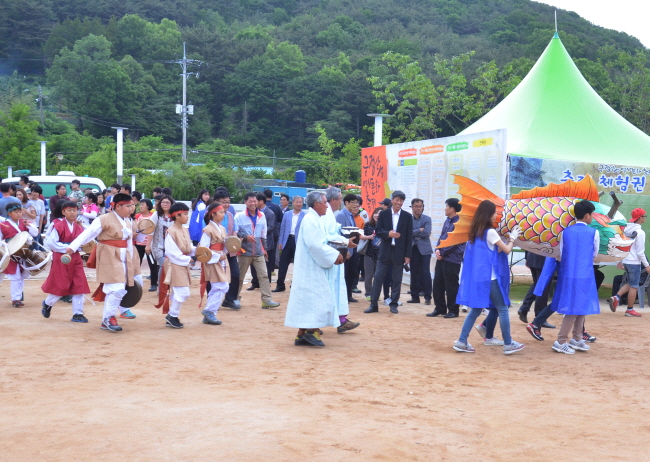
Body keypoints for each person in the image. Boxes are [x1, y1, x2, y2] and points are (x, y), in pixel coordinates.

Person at [285, 192, 358, 347]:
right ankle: (311, 332)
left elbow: (327, 238)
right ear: (317, 204)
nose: (327, 205)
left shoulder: (317, 218)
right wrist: (334, 255)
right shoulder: (311, 220)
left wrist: (344, 243)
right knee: (316, 299)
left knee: (310, 300)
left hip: (315, 265)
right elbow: (315, 245)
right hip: (311, 267)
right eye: (325, 203)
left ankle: (302, 333)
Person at [452, 200, 524, 354]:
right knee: (503, 308)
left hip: (477, 278)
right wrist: (512, 238)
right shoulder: (490, 232)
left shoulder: (475, 232)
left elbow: (491, 252)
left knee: (475, 311)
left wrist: (506, 241)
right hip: (489, 279)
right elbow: (506, 250)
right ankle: (508, 344)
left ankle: (462, 341)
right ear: (488, 214)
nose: (496, 215)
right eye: (495, 212)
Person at [66, 193, 143, 332]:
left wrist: (131, 259)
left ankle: (107, 318)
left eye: (132, 205)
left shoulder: (127, 221)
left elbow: (129, 242)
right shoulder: (103, 219)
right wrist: (72, 247)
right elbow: (88, 233)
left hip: (124, 257)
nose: (132, 208)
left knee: (119, 289)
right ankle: (109, 318)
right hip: (108, 255)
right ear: (118, 206)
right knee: (117, 288)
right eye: (128, 206)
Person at [543, 200, 600, 354]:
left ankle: (577, 338)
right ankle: (561, 341)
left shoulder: (565, 232)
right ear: (587, 215)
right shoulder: (594, 232)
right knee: (575, 308)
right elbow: (594, 254)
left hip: (568, 274)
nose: (593, 217)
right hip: (584, 274)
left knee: (578, 307)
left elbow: (561, 254)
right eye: (592, 214)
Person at [41, 200, 90, 322]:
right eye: (69, 210)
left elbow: (85, 242)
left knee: (79, 284)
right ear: (63, 212)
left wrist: (80, 247)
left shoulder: (78, 227)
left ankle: (78, 314)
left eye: (74, 210)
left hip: (75, 258)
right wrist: (68, 248)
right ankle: (48, 303)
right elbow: (52, 243)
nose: (73, 213)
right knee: (61, 284)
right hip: (62, 258)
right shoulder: (58, 225)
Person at [365, 191, 413, 315]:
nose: (399, 203)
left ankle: (394, 304)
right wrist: (388, 234)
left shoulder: (407, 216)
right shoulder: (384, 214)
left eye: (401, 200)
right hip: (385, 251)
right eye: (397, 200)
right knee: (378, 278)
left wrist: (408, 255)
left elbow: (409, 237)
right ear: (392, 200)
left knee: (397, 279)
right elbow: (378, 231)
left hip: (399, 252)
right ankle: (374, 304)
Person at [235, 192, 280, 309]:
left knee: (264, 275)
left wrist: (264, 248)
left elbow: (264, 234)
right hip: (244, 252)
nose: (253, 203)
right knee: (240, 276)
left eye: (254, 201)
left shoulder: (262, 216)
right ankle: (235, 299)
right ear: (245, 202)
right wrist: (245, 236)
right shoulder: (239, 216)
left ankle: (267, 300)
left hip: (259, 251)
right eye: (250, 201)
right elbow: (235, 232)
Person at [155, 202, 194, 329]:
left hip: (182, 262)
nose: (187, 216)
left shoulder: (184, 229)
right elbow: (172, 252)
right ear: (177, 215)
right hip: (174, 264)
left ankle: (172, 316)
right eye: (185, 214)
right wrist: (189, 259)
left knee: (182, 291)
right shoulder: (171, 231)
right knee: (182, 291)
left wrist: (198, 252)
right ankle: (172, 315)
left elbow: (188, 247)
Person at [607, 208, 649, 317]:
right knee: (634, 286)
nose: (645, 218)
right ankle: (629, 309)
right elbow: (640, 252)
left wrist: (620, 260)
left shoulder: (626, 229)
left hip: (626, 260)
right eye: (644, 216)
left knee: (630, 283)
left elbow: (623, 246)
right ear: (640, 218)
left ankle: (616, 297)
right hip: (634, 262)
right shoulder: (640, 232)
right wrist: (647, 265)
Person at [430, 198, 465, 318]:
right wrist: (437, 249)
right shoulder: (447, 221)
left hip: (452, 259)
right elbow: (442, 237)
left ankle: (453, 310)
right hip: (442, 257)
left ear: (452, 209)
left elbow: (454, 243)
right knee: (437, 284)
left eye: (446, 206)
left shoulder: (459, 223)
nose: (445, 208)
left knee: (451, 286)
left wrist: (442, 253)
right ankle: (440, 308)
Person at [0, 203, 40, 306]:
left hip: (24, 253)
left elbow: (35, 233)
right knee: (15, 276)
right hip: (11, 254)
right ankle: (16, 299)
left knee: (22, 276)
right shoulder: (3, 225)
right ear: (9, 213)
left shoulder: (24, 223)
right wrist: (5, 245)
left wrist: (29, 225)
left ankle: (17, 297)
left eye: (20, 211)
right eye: (15, 212)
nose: (19, 214)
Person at [198, 202, 230, 325]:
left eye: (223, 212)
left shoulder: (221, 228)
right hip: (213, 260)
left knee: (218, 286)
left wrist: (229, 248)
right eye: (221, 212)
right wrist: (217, 256)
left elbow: (224, 244)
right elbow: (203, 249)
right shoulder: (207, 229)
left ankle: (210, 313)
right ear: (213, 214)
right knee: (222, 286)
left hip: (221, 258)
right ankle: (209, 311)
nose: (223, 215)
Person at [336, 193, 372, 302]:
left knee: (351, 273)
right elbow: (340, 233)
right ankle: (343, 297)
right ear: (346, 202)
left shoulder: (353, 215)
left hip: (353, 248)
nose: (355, 205)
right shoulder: (341, 215)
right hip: (345, 248)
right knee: (345, 274)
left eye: (356, 202)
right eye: (353, 202)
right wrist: (344, 248)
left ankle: (348, 295)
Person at [213, 190, 241, 310]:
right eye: (224, 202)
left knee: (236, 273)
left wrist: (234, 243)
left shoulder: (230, 215)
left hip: (230, 249)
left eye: (228, 202)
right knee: (215, 276)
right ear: (216, 202)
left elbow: (233, 230)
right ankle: (213, 301)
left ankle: (230, 299)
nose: (226, 205)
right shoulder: (210, 216)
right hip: (216, 250)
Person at [274, 196, 305, 292]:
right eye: (297, 202)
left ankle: (295, 284)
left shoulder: (305, 215)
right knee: (283, 263)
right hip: (287, 240)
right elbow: (282, 229)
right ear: (293, 203)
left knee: (298, 264)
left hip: (298, 241)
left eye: (300, 202)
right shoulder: (287, 214)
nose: (298, 204)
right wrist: (281, 242)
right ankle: (280, 285)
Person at [248, 193, 277, 291]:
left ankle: (266, 284)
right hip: (254, 242)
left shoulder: (270, 213)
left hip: (266, 242)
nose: (254, 203)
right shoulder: (253, 213)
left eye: (255, 201)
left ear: (260, 201)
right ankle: (255, 282)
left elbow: (271, 227)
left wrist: (258, 231)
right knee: (253, 262)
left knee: (266, 264)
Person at [408, 198, 433, 305]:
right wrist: (419, 230)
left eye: (420, 206)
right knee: (414, 273)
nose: (418, 208)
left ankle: (428, 297)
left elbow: (426, 233)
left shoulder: (427, 219)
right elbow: (407, 233)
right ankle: (415, 297)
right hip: (413, 249)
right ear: (412, 207)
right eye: (416, 206)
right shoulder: (408, 219)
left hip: (425, 250)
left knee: (425, 273)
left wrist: (414, 233)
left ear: (423, 207)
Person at [517, 252, 553, 325]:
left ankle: (524, 308)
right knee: (543, 287)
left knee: (537, 284)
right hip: (544, 258)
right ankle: (540, 317)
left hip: (533, 256)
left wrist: (527, 257)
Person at [363, 207, 390, 301]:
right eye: (376, 213)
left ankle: (375, 294)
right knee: (369, 275)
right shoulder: (368, 225)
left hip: (381, 254)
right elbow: (365, 235)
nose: (377, 215)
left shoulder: (386, 226)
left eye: (380, 213)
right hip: (369, 253)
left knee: (378, 276)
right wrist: (370, 236)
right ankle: (368, 293)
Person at [151, 195, 175, 289]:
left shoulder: (174, 216)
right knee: (163, 266)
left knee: (171, 267)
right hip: (159, 245)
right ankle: (161, 288)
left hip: (172, 246)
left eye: (167, 202)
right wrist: (148, 245)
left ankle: (169, 287)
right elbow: (151, 230)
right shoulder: (156, 215)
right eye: (163, 202)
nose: (165, 204)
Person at [135, 199, 159, 292]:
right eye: (140, 205)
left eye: (143, 205)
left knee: (152, 265)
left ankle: (154, 284)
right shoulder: (137, 216)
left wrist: (149, 244)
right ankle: (135, 284)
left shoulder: (153, 216)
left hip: (150, 244)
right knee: (136, 264)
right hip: (138, 244)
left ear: (148, 206)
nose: (141, 206)